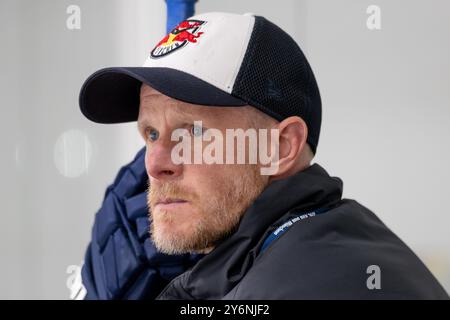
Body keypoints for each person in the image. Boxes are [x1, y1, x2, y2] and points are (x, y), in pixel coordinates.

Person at [79, 12, 449, 299]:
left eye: (192, 131)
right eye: (152, 134)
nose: (156, 165)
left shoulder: (308, 283)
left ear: (281, 147)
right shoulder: (307, 249)